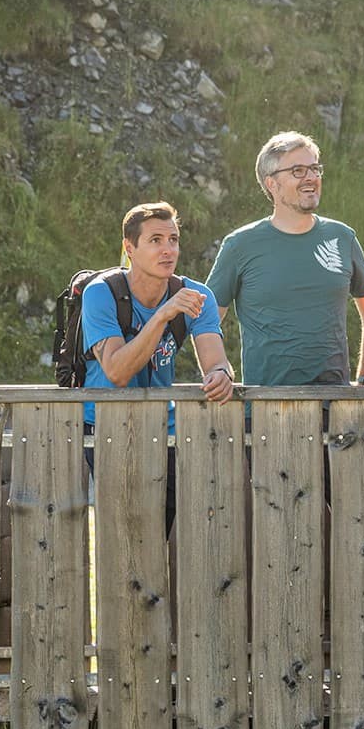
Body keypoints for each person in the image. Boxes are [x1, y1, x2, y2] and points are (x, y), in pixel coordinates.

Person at [82, 201, 236, 534]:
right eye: (155, 240)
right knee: (127, 534)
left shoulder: (196, 295)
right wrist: (163, 315)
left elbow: (216, 362)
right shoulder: (101, 293)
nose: (168, 250)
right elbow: (117, 372)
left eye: (173, 240)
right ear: (130, 248)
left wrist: (221, 375)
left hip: (165, 428)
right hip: (106, 427)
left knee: (173, 529)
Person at [205, 131, 364, 386]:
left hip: (335, 402)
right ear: (272, 183)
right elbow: (207, 320)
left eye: (315, 169)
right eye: (298, 171)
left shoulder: (342, 237)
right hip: (266, 402)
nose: (311, 177)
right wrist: (218, 368)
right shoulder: (240, 245)